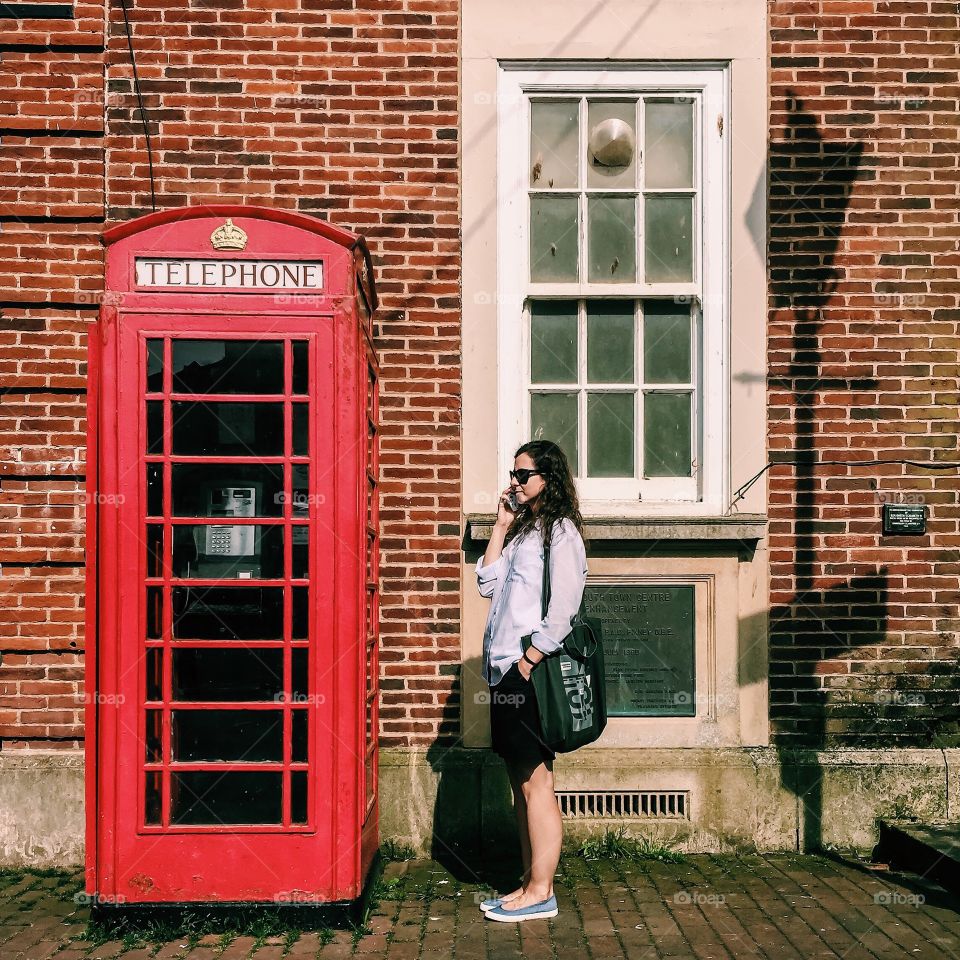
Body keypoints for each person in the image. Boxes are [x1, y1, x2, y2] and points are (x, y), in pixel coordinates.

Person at [474, 439, 588, 922]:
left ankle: (541, 892)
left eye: (524, 475)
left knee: (537, 782)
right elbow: (486, 583)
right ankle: (528, 884)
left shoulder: (560, 533)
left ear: (549, 478)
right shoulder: (524, 532)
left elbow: (563, 609)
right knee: (519, 782)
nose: (515, 482)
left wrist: (530, 660)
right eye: (513, 474)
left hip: (527, 673)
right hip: (502, 672)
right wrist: (500, 526)